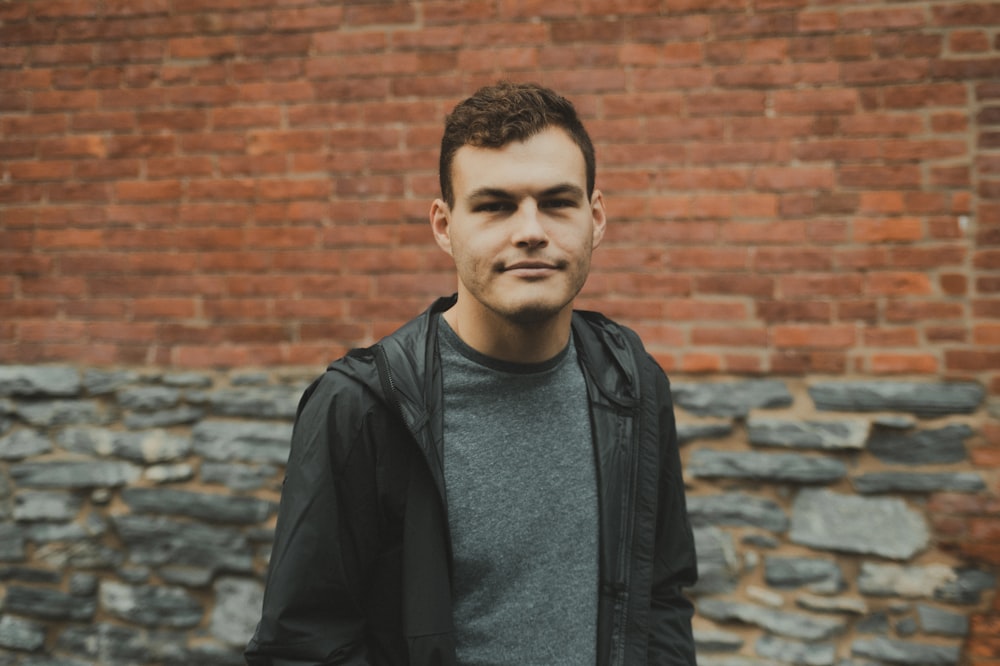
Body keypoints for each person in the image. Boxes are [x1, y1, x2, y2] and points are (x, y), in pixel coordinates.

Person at [245, 81, 698, 665]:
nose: (531, 230)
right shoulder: (362, 407)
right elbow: (301, 645)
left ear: (596, 217)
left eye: (557, 202)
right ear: (443, 225)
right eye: (495, 205)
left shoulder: (630, 381)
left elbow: (659, 597)